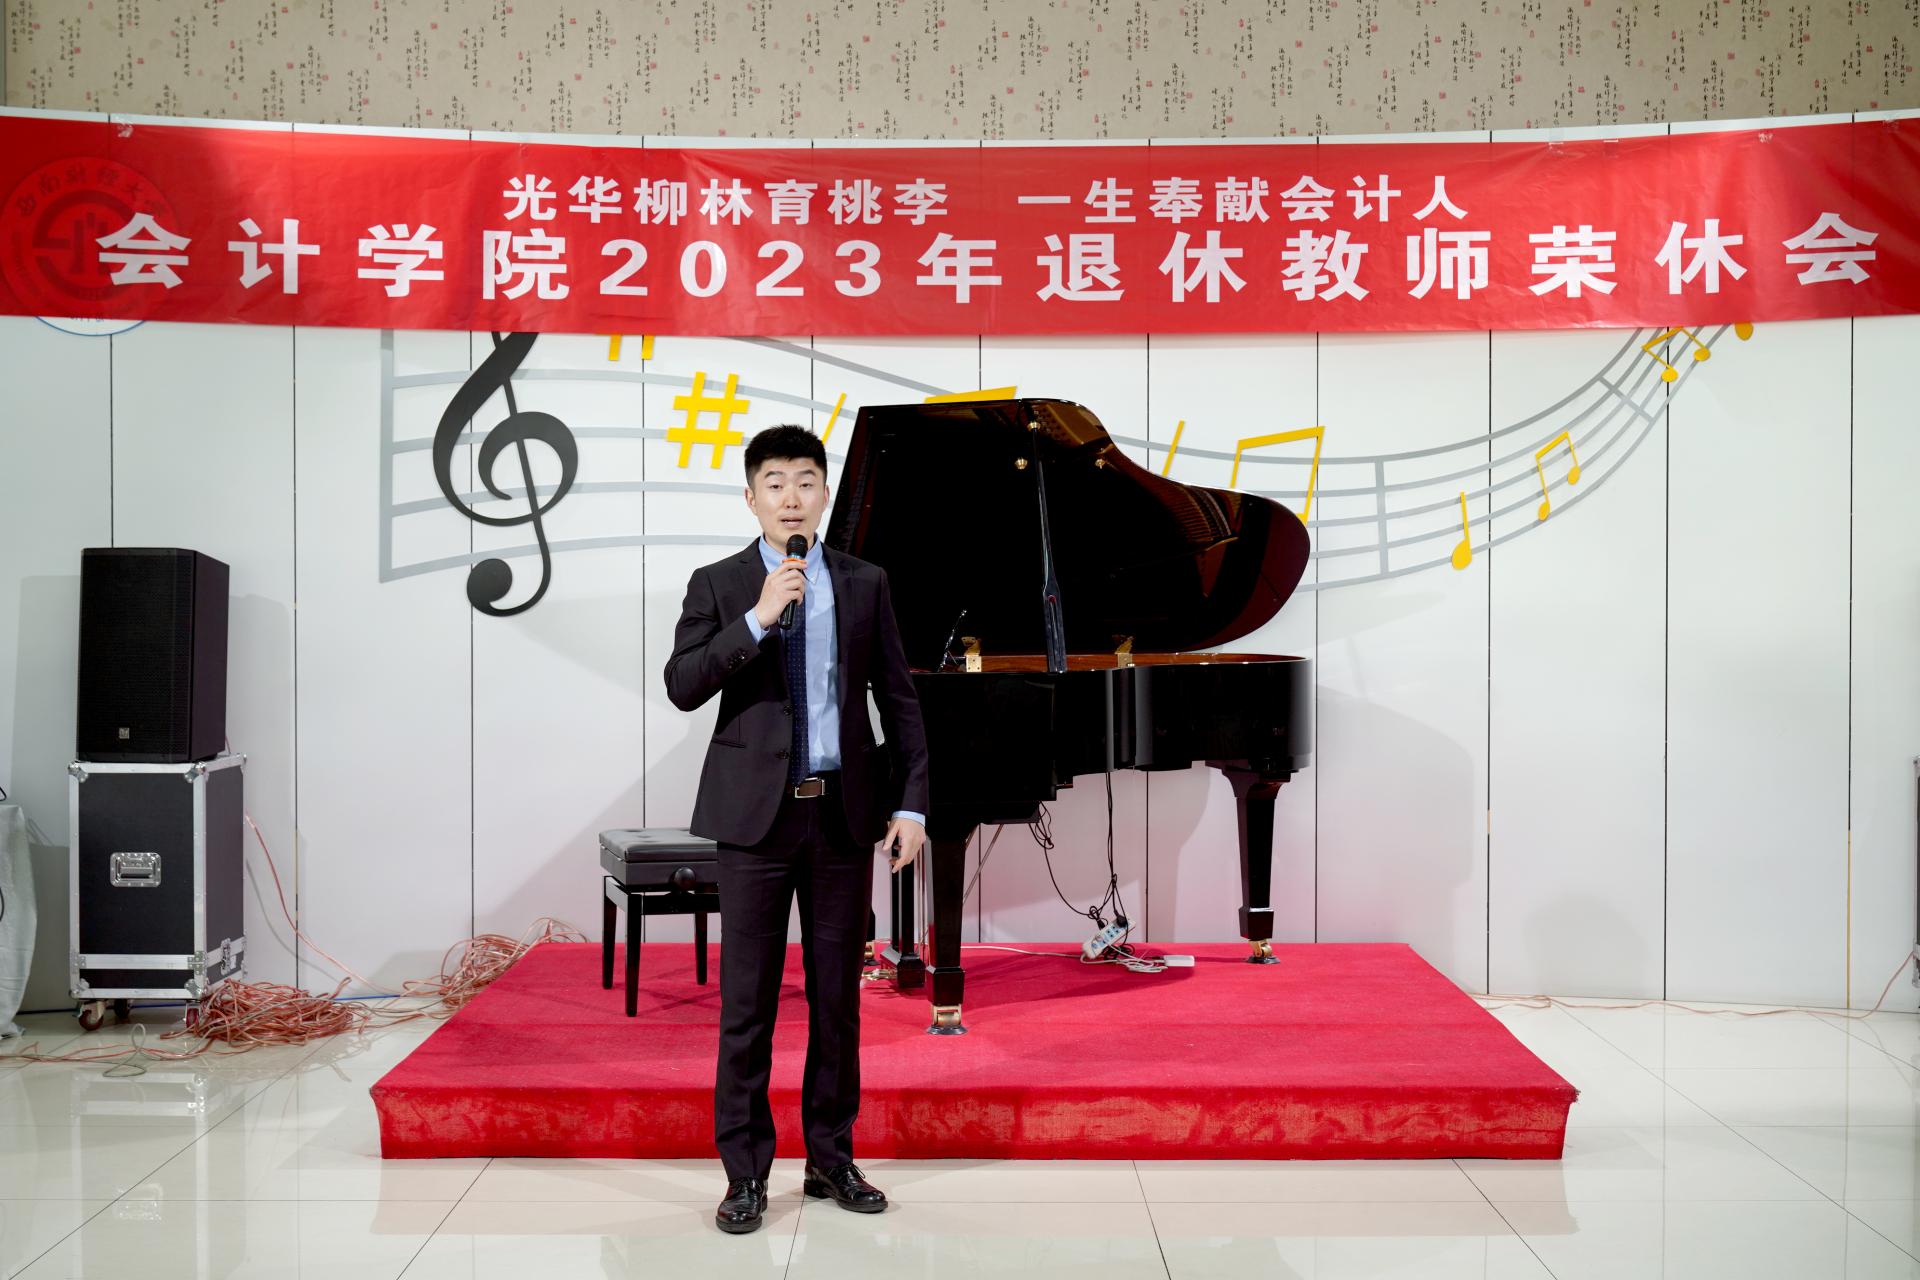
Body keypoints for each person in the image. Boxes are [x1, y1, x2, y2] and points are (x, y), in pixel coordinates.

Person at [664, 423, 931, 1235]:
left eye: (805, 481)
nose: (791, 497)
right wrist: (755, 619)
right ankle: (745, 1174)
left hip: (842, 817)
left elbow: (899, 697)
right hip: (754, 822)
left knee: (836, 1003)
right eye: (774, 483)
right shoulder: (719, 584)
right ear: (751, 498)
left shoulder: (864, 582)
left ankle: (830, 1158)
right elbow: (683, 683)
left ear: (824, 494)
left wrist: (912, 803)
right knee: (746, 1004)